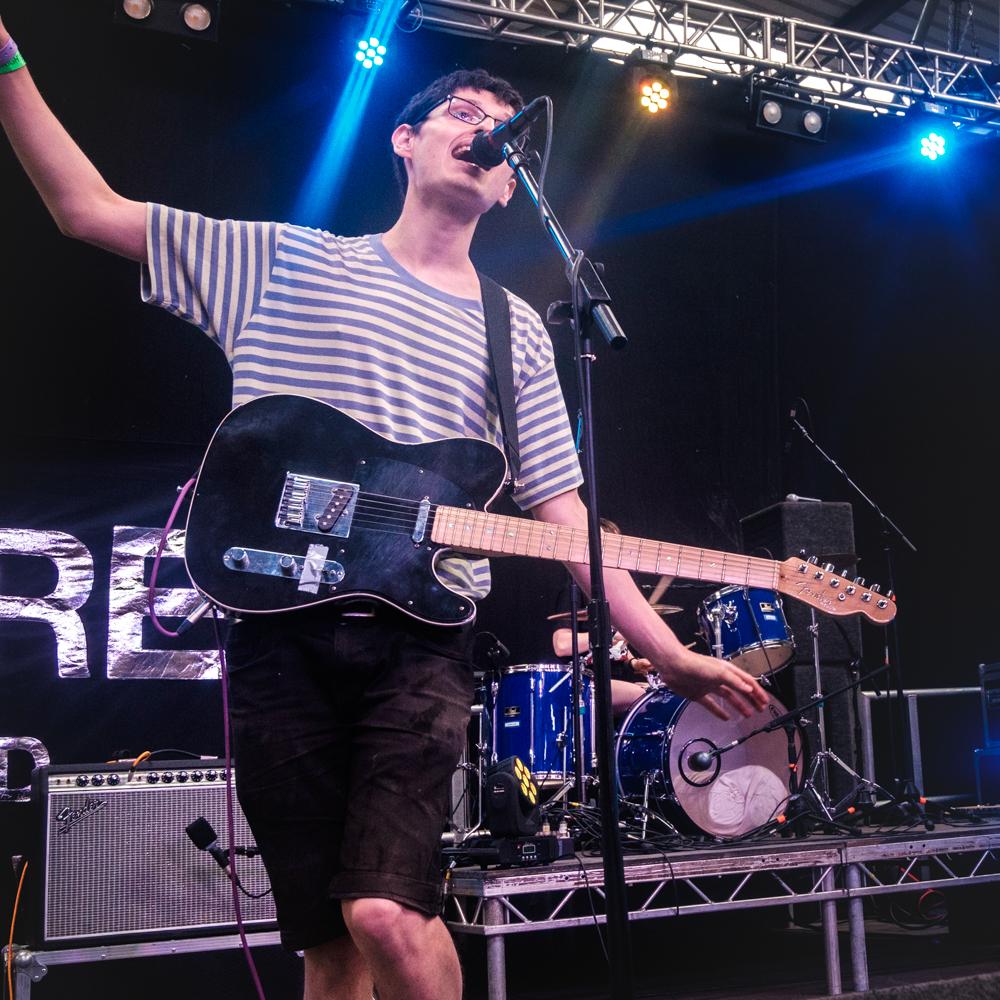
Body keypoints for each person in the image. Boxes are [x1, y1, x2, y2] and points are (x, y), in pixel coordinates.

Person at [0, 22, 769, 1000]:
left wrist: (669, 657)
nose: (485, 132)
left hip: (418, 647)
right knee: (329, 946)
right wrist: (9, 63)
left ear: (507, 185)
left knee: (386, 912)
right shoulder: (288, 263)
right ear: (402, 140)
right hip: (280, 640)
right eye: (460, 114)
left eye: (503, 131)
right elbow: (85, 208)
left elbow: (565, 513)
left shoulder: (517, 332)